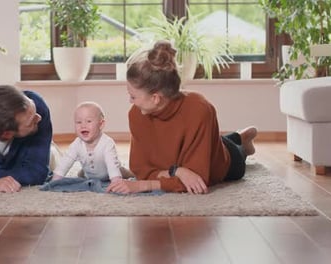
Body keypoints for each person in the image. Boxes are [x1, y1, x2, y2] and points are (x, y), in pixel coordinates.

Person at [106, 40, 258, 195]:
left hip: (221, 160)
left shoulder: (200, 110)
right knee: (217, 139)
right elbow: (141, 171)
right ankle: (239, 136)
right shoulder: (136, 114)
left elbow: (197, 180)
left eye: (133, 96)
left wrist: (143, 185)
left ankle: (242, 142)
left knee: (236, 155)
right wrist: (178, 172)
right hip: (191, 150)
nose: (130, 101)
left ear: (155, 98)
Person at [51, 101, 131, 183]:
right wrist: (55, 180)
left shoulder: (107, 143)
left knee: (124, 172)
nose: (83, 125)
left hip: (109, 172)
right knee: (81, 174)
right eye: (79, 122)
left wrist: (116, 181)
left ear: (101, 124)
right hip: (88, 174)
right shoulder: (76, 144)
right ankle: (83, 172)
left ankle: (130, 173)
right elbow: (65, 162)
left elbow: (112, 166)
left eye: (89, 121)